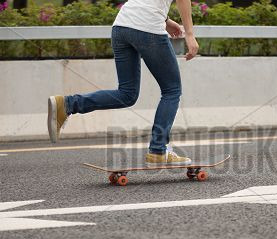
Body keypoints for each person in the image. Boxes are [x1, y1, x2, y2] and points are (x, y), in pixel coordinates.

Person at [47, 0, 199, 165]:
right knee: (172, 90)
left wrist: (166, 20)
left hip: (121, 26)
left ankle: (68, 104)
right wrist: (189, 35)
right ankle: (158, 150)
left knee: (127, 94)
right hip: (147, 28)